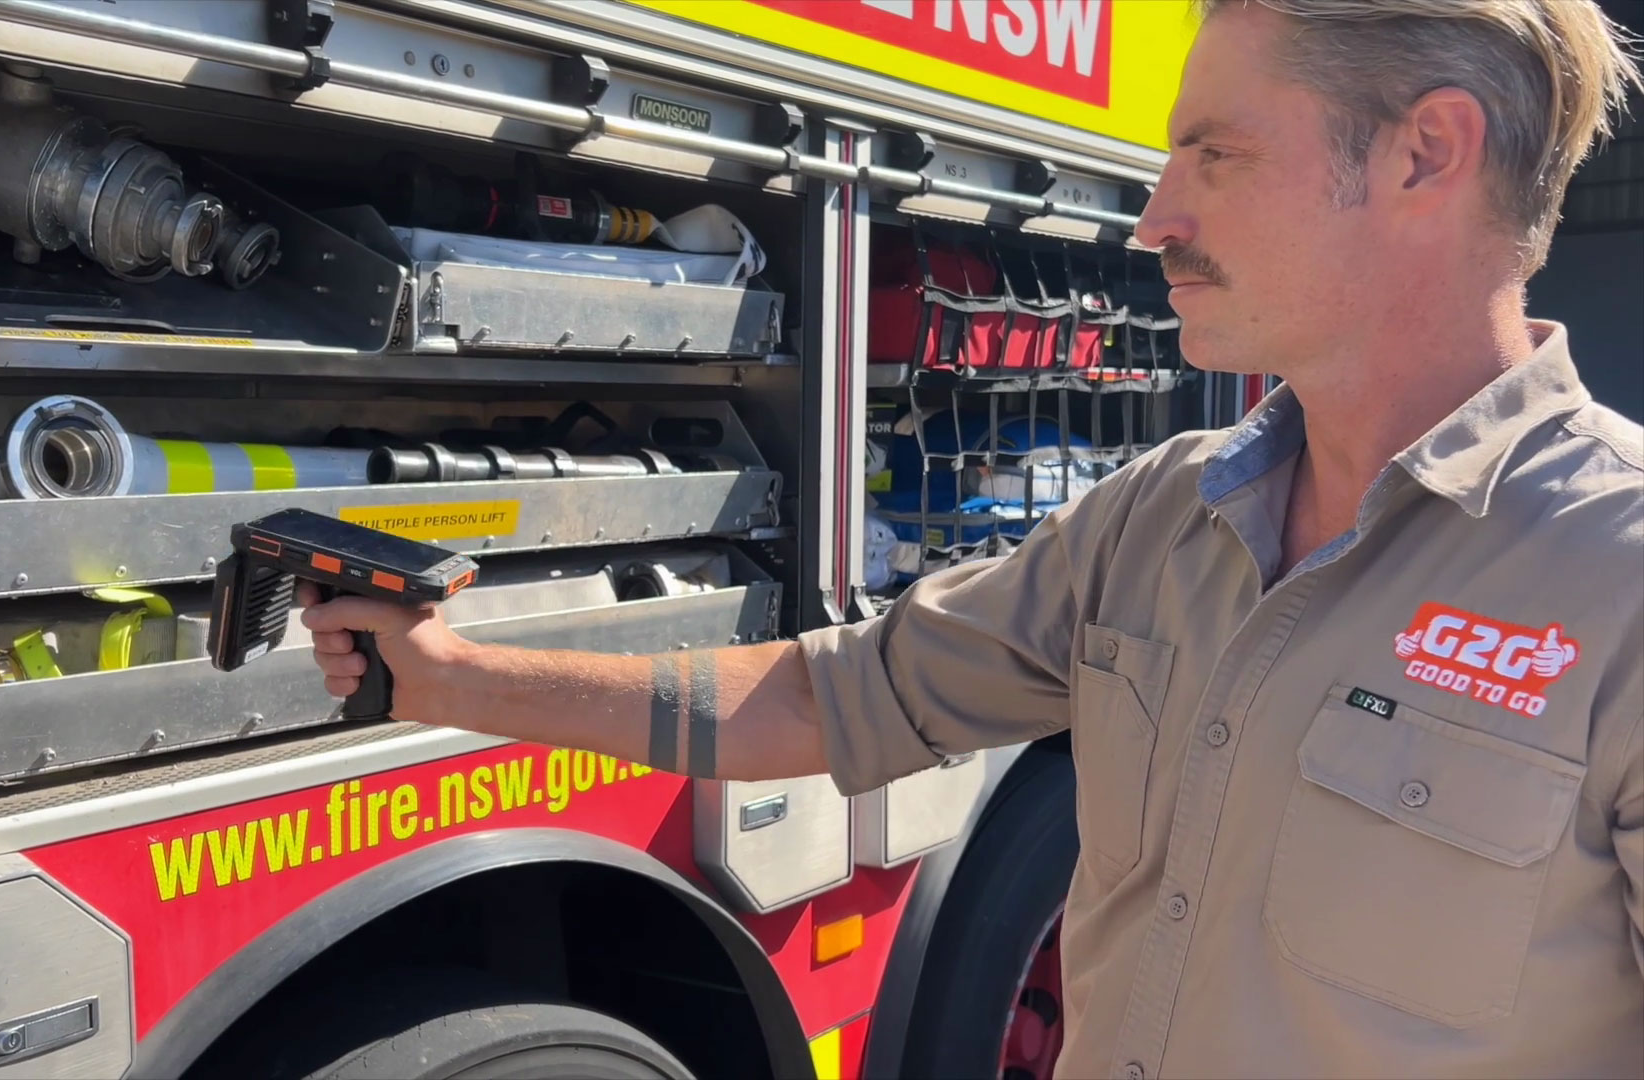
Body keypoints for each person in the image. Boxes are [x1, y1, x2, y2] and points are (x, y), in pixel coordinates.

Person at [302, 0, 1644, 1074]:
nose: (1153, 217)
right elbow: (838, 698)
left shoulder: (1619, 572)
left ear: (1426, 152)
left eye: (1215, 155)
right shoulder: (1162, 514)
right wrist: (454, 679)